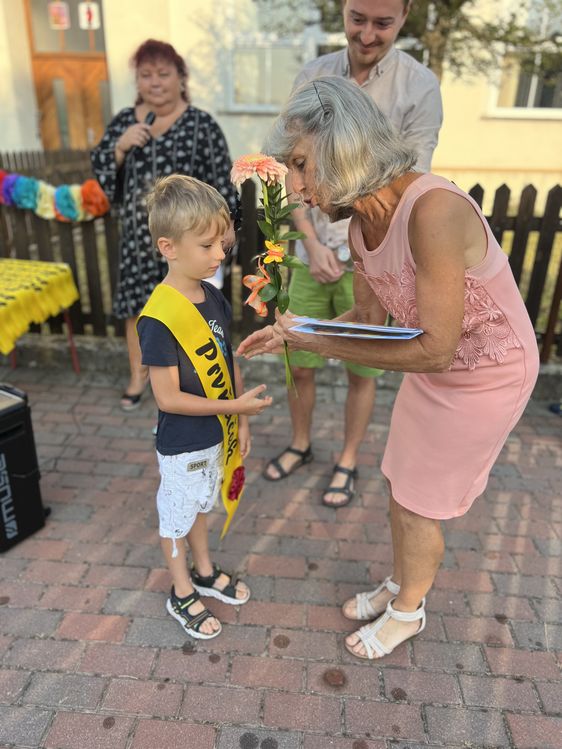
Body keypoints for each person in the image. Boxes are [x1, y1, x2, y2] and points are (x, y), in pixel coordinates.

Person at [238, 77, 539, 659]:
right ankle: (402, 583)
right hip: (437, 367)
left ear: (343, 143)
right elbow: (368, 317)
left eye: (299, 164)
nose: (295, 188)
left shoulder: (434, 210)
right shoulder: (359, 226)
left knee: (419, 502)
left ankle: (408, 613)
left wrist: (322, 345)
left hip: (489, 374)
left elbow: (435, 348)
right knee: (401, 483)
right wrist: (296, 332)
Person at [262, 0, 443, 509]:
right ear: (343, 9)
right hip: (315, 250)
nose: (366, 34)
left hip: (374, 249)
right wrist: (312, 242)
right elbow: (291, 168)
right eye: (357, 18)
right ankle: (301, 442)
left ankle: (347, 458)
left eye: (382, 23)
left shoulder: (419, 87)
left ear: (405, 16)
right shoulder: (313, 75)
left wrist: (356, 253)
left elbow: (407, 182)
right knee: (299, 362)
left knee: (363, 369)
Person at [138, 174, 272, 639]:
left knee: (200, 506)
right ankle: (180, 591)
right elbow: (168, 398)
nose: (220, 255)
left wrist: (239, 421)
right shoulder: (159, 318)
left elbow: (228, 358)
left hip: (215, 435)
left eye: (222, 244)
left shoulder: (211, 295)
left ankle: (203, 570)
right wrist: (234, 407)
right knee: (176, 518)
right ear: (168, 247)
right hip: (182, 444)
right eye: (207, 245)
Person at [91, 39, 240, 412]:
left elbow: (222, 180)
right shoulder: (125, 121)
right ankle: (138, 376)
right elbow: (104, 179)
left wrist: (226, 227)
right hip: (140, 242)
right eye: (146, 75)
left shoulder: (201, 124)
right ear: (137, 81)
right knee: (139, 308)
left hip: (189, 241)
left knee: (192, 306)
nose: (155, 82)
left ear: (180, 77)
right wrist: (120, 148)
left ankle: (192, 380)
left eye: (163, 74)